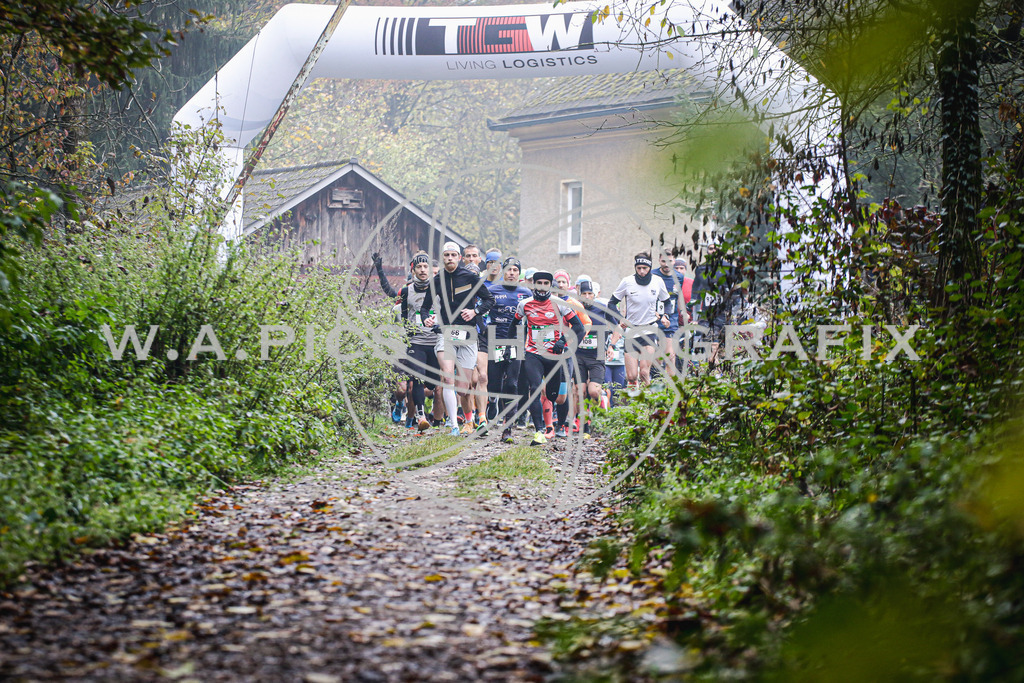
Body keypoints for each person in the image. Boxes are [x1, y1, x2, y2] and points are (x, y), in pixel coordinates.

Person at [418, 242, 495, 437]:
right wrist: (426, 318)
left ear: (459, 258)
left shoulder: (470, 277)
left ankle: (469, 419)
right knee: (447, 376)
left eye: (453, 255)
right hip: (446, 332)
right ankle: (453, 425)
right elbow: (425, 307)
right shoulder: (437, 280)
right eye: (447, 255)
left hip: (468, 334)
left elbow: (489, 300)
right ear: (443, 258)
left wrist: (475, 311)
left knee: (463, 388)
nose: (450, 258)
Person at [513, 270, 584, 446]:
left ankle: (559, 423)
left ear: (550, 286)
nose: (542, 287)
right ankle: (539, 431)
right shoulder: (524, 304)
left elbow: (579, 327)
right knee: (535, 389)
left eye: (546, 283)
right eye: (539, 283)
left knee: (554, 396)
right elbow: (513, 326)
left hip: (554, 355)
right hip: (533, 353)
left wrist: (563, 342)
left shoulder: (560, 304)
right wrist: (512, 347)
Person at [372, 250, 438, 431]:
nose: (423, 270)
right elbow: (389, 292)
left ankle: (418, 407)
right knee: (413, 381)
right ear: (413, 270)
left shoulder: (439, 289)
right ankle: (420, 416)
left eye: (426, 267)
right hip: (414, 342)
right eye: (419, 267)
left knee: (432, 384)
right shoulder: (406, 292)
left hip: (434, 342)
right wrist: (379, 269)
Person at [484, 257, 532, 443]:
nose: (511, 273)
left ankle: (507, 428)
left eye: (515, 270)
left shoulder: (526, 293)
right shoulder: (492, 290)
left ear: (519, 273)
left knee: (512, 384)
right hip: (496, 340)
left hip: (516, 341)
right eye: (509, 269)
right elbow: (481, 312)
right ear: (502, 271)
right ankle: (493, 401)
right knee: (494, 385)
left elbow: (532, 318)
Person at [608, 252, 672, 386]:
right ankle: (635, 404)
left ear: (650, 267)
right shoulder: (627, 282)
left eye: (645, 268)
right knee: (631, 377)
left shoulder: (657, 281)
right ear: (635, 267)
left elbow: (667, 302)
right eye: (639, 268)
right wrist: (621, 319)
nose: (642, 271)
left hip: (649, 329)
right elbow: (611, 304)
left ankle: (648, 403)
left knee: (644, 373)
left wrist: (665, 316)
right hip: (631, 331)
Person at [690, 245, 743, 370]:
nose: (713, 251)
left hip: (725, 314)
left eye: (716, 248)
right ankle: (710, 374)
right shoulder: (701, 269)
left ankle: (720, 374)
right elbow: (695, 295)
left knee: (723, 350)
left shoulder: (731, 269)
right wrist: (695, 317)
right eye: (710, 248)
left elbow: (738, 295)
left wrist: (734, 315)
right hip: (706, 315)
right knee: (708, 346)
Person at [574, 279, 614, 438]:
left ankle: (601, 402)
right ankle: (584, 426)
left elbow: (617, 327)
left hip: (597, 356)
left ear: (595, 295)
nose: (587, 296)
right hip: (579, 355)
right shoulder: (574, 307)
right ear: (579, 294)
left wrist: (611, 346)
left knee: (593, 391)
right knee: (580, 391)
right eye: (584, 293)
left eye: (590, 293)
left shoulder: (603, 309)